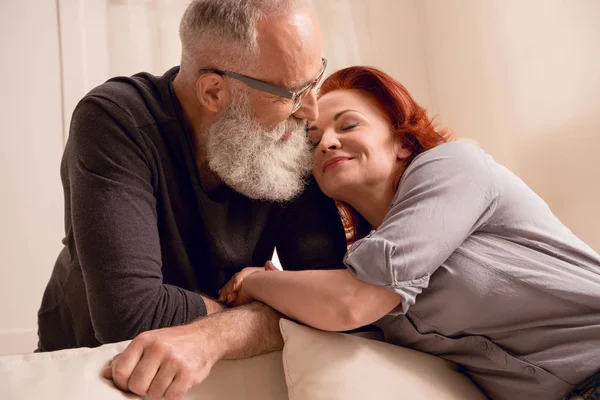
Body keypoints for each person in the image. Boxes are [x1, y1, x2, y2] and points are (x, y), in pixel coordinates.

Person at [219, 66, 600, 400]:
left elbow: (350, 304)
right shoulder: (362, 263)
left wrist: (255, 281)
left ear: (402, 141)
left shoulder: (453, 166)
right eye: (314, 141)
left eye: (348, 125)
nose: (328, 143)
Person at [38, 0, 348, 397]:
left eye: (315, 78)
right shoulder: (115, 119)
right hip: (95, 364)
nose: (312, 108)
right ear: (214, 91)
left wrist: (215, 337)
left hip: (216, 364)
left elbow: (330, 293)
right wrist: (257, 314)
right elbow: (130, 315)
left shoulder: (290, 128)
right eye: (294, 91)